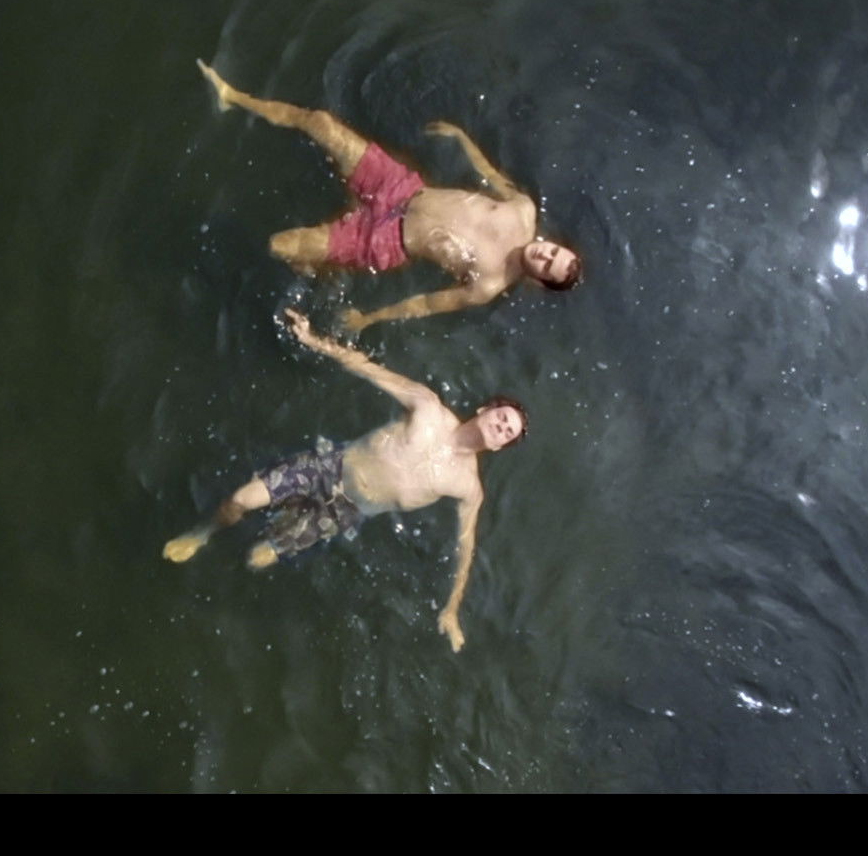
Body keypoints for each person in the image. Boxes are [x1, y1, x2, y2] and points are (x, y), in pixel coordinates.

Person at [163, 309, 527, 651]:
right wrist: (313, 340)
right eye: (502, 417)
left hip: (346, 512)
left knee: (259, 558)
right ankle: (203, 533)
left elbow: (466, 546)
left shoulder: (467, 486)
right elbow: (368, 369)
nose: (501, 427)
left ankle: (216, 594)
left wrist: (452, 609)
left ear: (500, 446)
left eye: (507, 432)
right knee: (240, 500)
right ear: (486, 409)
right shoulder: (428, 407)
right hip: (328, 467)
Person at [197, 61, 580, 331]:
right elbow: (490, 174)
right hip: (400, 186)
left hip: (386, 240)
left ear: (539, 281)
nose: (544, 256)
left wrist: (369, 319)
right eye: (553, 253)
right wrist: (462, 138)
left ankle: (319, 267)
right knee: (321, 123)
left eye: (547, 267)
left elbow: (427, 304)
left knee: (280, 246)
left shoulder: (489, 284)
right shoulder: (523, 209)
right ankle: (232, 96)